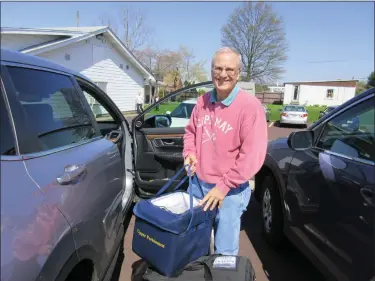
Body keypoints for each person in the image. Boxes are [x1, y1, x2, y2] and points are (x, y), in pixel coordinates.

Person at [183, 47, 268, 255]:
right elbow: (190, 133)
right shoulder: (202, 102)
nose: (223, 74)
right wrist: (189, 153)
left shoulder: (250, 106)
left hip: (229, 192)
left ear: (238, 73)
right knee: (195, 247)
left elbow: (251, 157)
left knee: (224, 253)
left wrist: (223, 186)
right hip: (198, 186)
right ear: (211, 71)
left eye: (229, 69)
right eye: (218, 68)